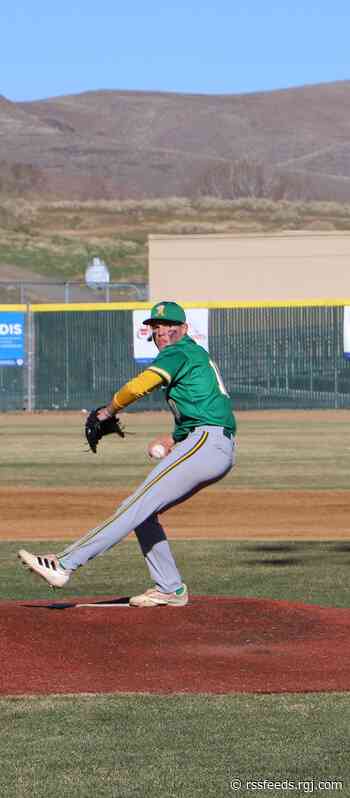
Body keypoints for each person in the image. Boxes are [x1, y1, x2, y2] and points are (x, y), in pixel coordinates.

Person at [18, 301, 236, 607]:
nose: (162, 332)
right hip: (209, 444)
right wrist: (173, 438)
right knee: (143, 514)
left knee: (133, 506)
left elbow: (138, 387)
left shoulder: (179, 352)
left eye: (169, 325)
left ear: (185, 329)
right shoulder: (192, 355)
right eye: (157, 327)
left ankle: (64, 564)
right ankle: (170, 588)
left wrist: (108, 411)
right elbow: (208, 404)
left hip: (208, 442)